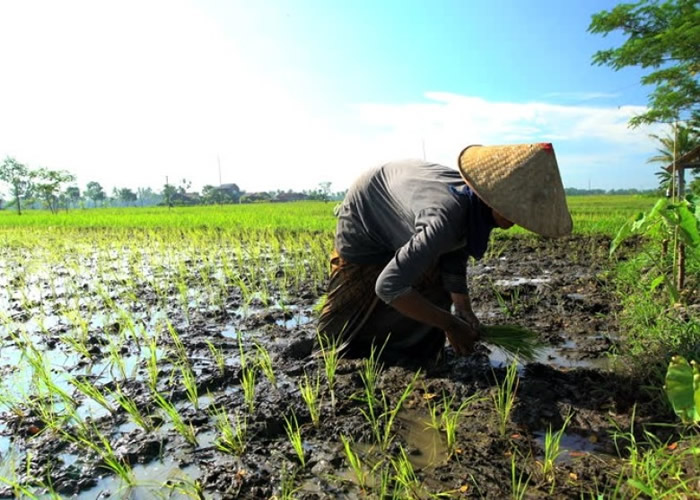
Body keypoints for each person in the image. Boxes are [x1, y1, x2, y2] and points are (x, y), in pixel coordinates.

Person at [318, 143, 572, 362]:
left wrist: (462, 309)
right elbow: (388, 286)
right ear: (495, 196)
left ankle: (412, 356)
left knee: (434, 283)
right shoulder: (446, 215)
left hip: (405, 208)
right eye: (519, 208)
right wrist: (450, 324)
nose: (520, 218)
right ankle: (337, 355)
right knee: (343, 328)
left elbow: (454, 250)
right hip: (365, 215)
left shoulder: (473, 207)